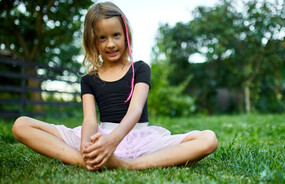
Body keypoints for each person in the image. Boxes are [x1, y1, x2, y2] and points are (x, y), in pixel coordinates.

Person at [12, 2, 218, 171]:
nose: (110, 44)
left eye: (115, 35)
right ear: (93, 41)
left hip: (140, 139)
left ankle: (127, 165)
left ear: (126, 35)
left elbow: (136, 110)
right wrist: (87, 145)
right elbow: (90, 120)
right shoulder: (89, 79)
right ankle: (87, 160)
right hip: (100, 136)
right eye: (102, 38)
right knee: (21, 125)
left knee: (208, 139)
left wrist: (113, 141)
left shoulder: (140, 69)